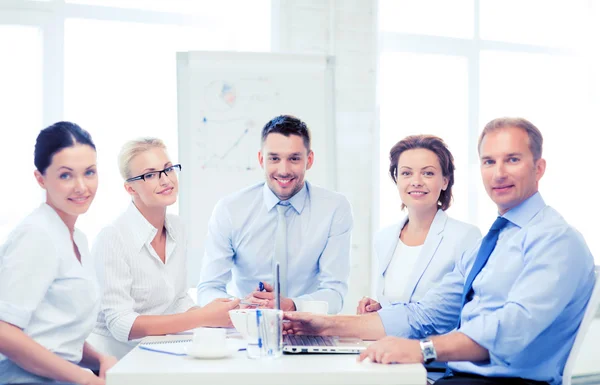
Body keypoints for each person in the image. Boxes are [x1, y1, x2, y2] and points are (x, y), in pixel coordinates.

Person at [284, 117, 595, 385]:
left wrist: (422, 350)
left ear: (539, 167)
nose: (498, 173)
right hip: (460, 377)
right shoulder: (496, 241)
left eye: (512, 159)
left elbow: (511, 329)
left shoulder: (556, 240)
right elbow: (425, 314)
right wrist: (325, 324)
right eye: (489, 161)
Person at [89, 138, 239, 359]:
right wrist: (203, 317)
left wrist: (228, 314)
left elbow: (177, 299)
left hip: (158, 351)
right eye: (150, 175)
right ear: (130, 188)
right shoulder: (112, 238)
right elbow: (121, 325)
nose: (166, 179)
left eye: (168, 169)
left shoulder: (177, 227)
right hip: (113, 363)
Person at [197, 115, 353, 314]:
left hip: (308, 327)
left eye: (294, 159)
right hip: (247, 327)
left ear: (309, 160)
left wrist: (292, 305)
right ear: (262, 159)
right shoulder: (230, 210)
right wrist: (242, 306)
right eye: (274, 158)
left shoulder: (334, 209)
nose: (284, 170)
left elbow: (335, 293)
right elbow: (208, 288)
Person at [0, 122, 116, 385]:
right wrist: (84, 379)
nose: (81, 187)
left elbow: (56, 334)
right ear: (40, 179)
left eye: (89, 172)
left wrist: (100, 360)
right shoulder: (37, 235)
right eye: (66, 175)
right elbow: (4, 332)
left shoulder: (77, 238)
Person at [357, 135, 480, 314]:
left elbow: (465, 308)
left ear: (445, 180)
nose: (416, 181)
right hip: (388, 340)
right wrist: (380, 309)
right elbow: (400, 304)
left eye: (428, 173)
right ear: (396, 179)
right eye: (406, 173)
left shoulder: (466, 237)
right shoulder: (384, 238)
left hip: (435, 342)